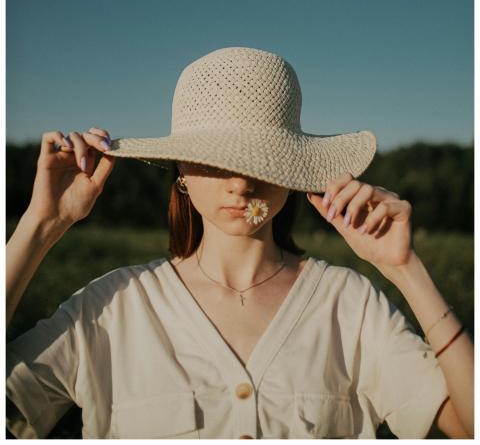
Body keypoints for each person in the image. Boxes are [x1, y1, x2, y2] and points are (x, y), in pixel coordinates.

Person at [6, 47, 473, 439]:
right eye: (214, 161)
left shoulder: (349, 306)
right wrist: (40, 225)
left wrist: (405, 268)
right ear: (182, 171)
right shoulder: (110, 308)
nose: (240, 184)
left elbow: (467, 423)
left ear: (292, 171)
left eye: (261, 161)